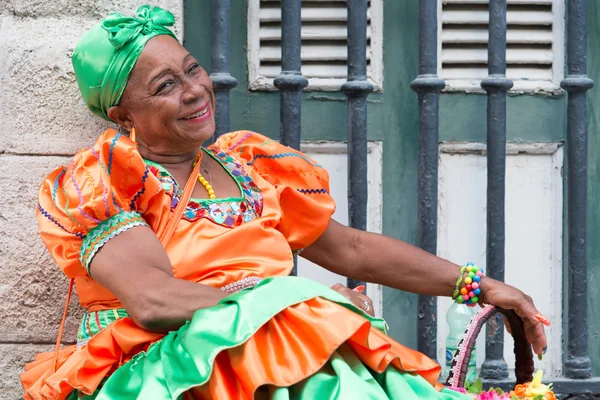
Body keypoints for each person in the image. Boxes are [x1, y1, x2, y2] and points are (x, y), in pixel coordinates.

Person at [21, 6, 547, 400]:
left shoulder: (248, 164)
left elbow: (353, 250)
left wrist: (478, 286)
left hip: (280, 353)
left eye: (192, 69)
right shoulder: (104, 180)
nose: (195, 90)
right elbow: (154, 301)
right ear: (123, 116)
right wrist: (307, 303)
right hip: (169, 372)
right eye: (165, 85)